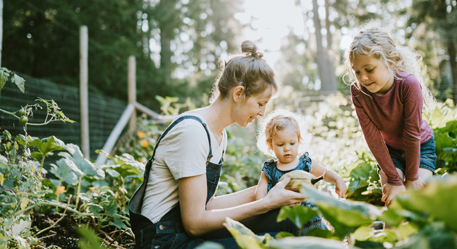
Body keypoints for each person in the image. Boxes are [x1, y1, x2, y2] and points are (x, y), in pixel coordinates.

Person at [128, 40, 307, 249]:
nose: (262, 113)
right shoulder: (193, 132)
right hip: (164, 242)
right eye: (260, 103)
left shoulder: (218, 134)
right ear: (238, 94)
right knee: (274, 243)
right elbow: (195, 223)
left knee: (288, 220)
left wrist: (268, 190)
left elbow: (207, 205)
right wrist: (264, 203)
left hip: (184, 232)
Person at [344, 24, 437, 207]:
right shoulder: (358, 92)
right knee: (394, 201)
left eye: (369, 69)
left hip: (420, 146)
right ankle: (391, 236)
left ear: (391, 62)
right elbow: (372, 138)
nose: (363, 78)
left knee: (414, 200)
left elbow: (412, 134)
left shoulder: (408, 85)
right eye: (357, 72)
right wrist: (394, 180)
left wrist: (411, 178)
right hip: (389, 152)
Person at [255, 109, 347, 234]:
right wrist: (262, 205)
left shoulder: (305, 163)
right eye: (281, 145)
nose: (287, 148)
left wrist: (337, 179)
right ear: (271, 145)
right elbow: (260, 190)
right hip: (284, 221)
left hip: (310, 219)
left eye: (292, 143)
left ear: (298, 141)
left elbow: (324, 173)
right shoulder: (269, 169)